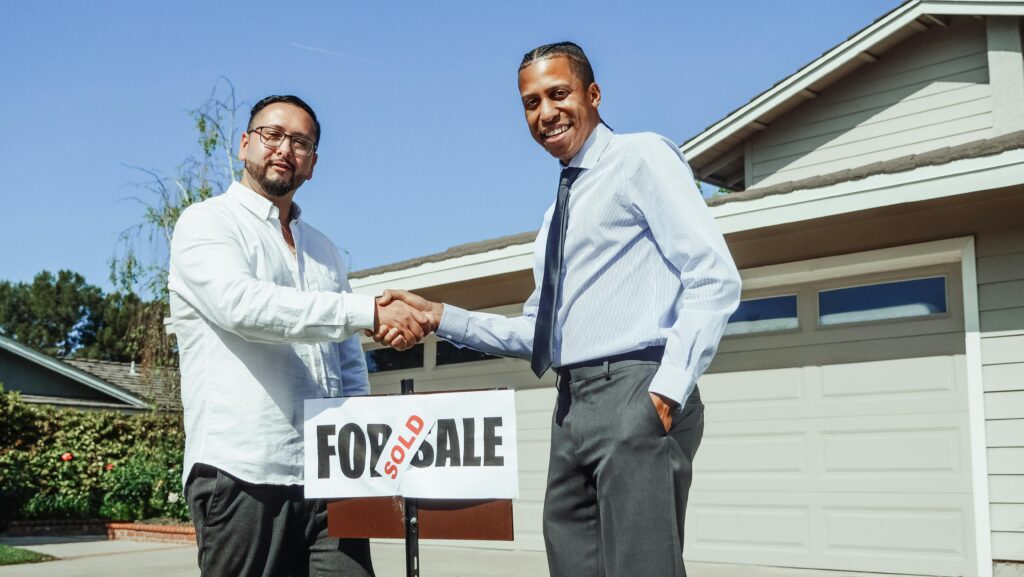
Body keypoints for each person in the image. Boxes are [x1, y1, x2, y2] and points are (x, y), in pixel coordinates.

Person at [374, 42, 741, 577]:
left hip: (634, 390)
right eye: (530, 102)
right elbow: (536, 332)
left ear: (592, 94)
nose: (545, 113)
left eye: (558, 94)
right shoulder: (555, 216)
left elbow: (713, 275)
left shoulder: (640, 157)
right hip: (571, 404)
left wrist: (665, 391)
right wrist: (438, 317)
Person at [168, 94, 433, 577]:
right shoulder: (206, 223)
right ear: (246, 143)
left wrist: (364, 456)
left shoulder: (325, 251)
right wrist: (368, 312)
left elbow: (348, 362)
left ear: (312, 164)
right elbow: (242, 306)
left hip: (331, 474)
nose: (284, 149)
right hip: (242, 470)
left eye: (301, 142)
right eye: (272, 135)